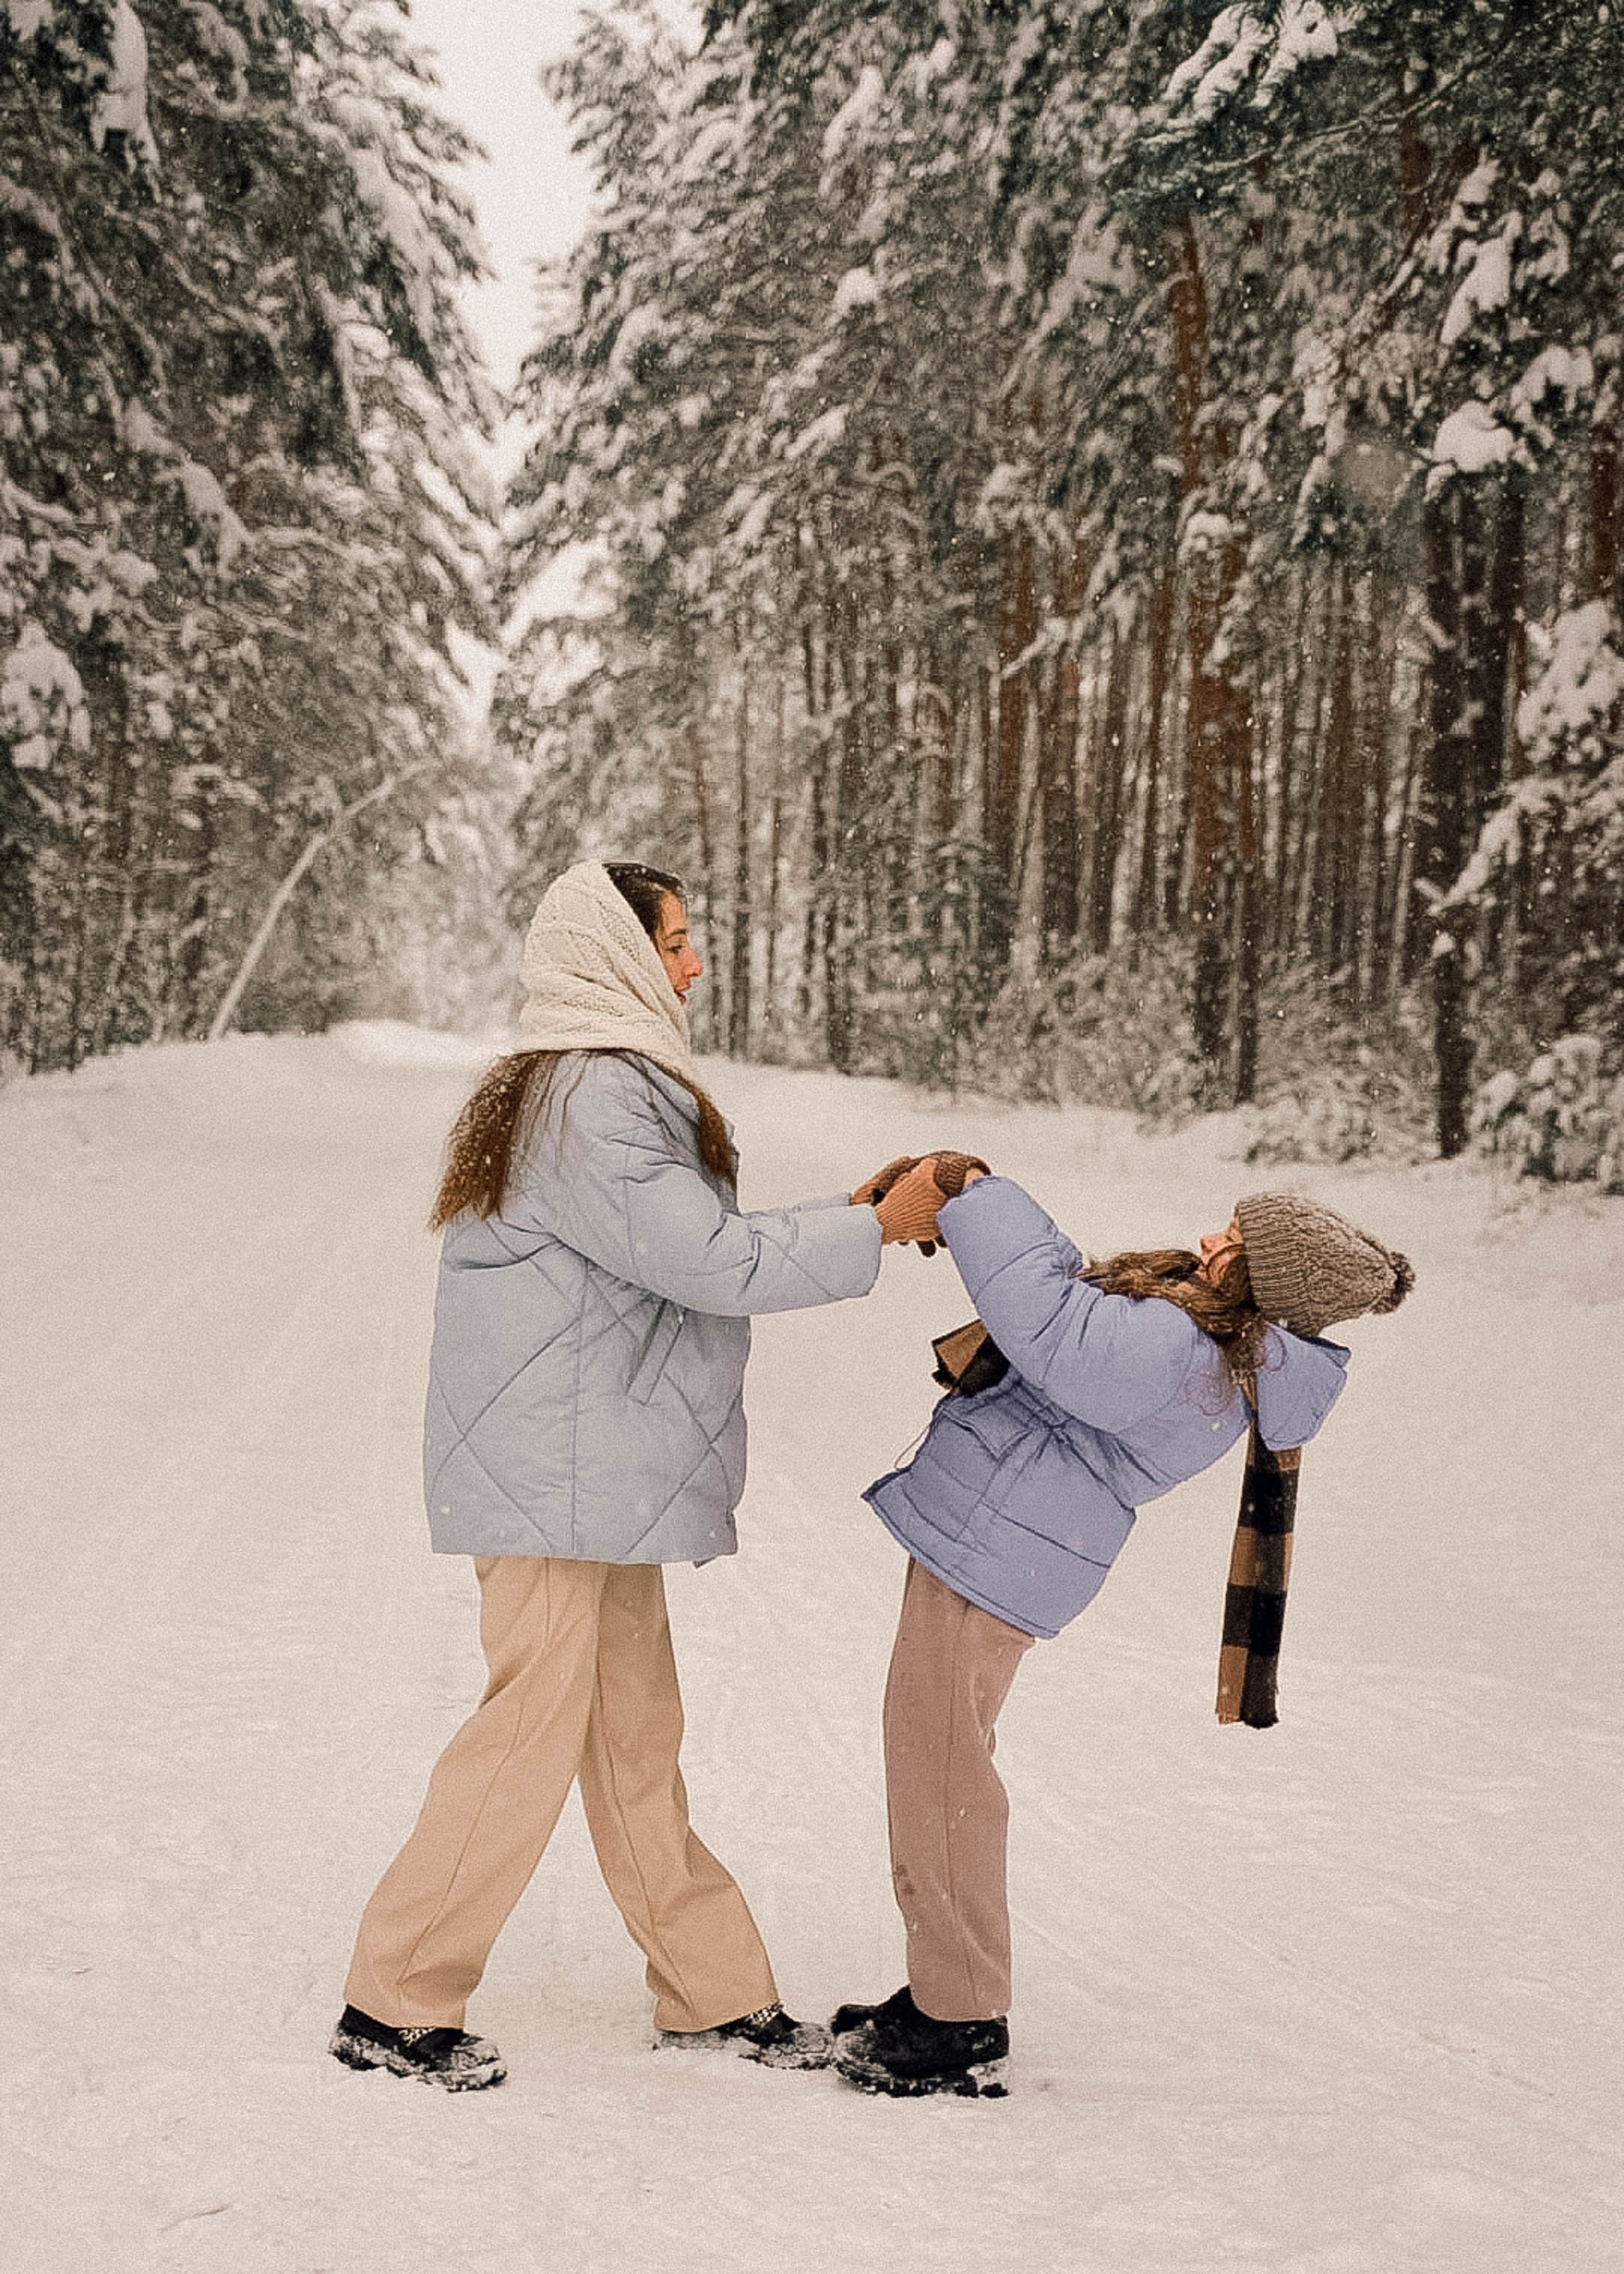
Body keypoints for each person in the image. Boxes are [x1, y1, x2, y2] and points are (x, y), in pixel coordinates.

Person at [331, 858, 925, 2090]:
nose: (694, 965)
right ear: (613, 953)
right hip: (557, 1481)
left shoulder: (577, 1087)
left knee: (632, 1739)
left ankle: (712, 1992)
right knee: (524, 1739)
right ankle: (392, 2001)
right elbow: (700, 1257)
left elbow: (674, 1247)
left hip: (585, 1476)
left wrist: (852, 1212)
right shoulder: (593, 1095)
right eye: (676, 941)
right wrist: (870, 1225)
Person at [828, 1165, 1414, 2099]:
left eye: (1236, 1241)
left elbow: (1048, 1323)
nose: (1212, 1238)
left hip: (998, 1545)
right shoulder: (1206, 1339)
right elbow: (1063, 1294)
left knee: (941, 1774)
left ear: (1263, 1284)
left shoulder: (1186, 1350)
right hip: (1000, 1538)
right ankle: (946, 1986)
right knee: (938, 1761)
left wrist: (971, 1188)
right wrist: (975, 1194)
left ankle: (958, 2018)